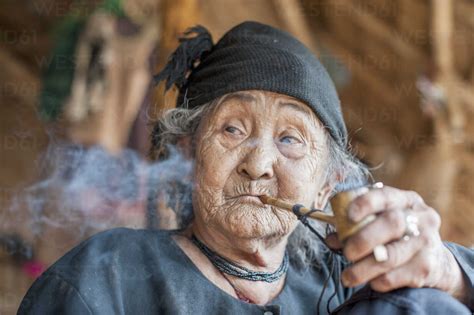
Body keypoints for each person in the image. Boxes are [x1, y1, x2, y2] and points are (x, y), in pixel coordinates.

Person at [18, 21, 473, 315]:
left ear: (327, 186)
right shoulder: (106, 279)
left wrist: (447, 272)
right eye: (233, 130)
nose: (258, 165)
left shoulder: (358, 281)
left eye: (290, 139)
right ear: (188, 154)